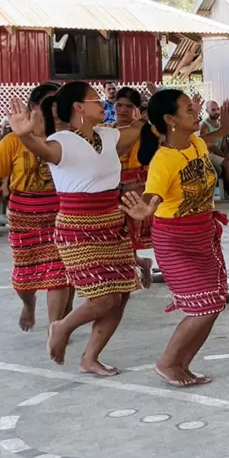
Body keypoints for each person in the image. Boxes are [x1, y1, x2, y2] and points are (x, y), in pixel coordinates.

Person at [8, 82, 146, 376]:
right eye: (96, 100)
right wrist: (24, 136)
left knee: (120, 295)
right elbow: (41, 148)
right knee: (104, 298)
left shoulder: (108, 135)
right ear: (78, 108)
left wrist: (149, 110)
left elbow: (142, 130)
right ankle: (62, 326)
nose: (103, 105)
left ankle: (90, 358)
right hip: (78, 229)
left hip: (112, 224)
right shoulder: (62, 141)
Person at [120, 90, 229, 387]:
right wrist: (146, 208)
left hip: (204, 235)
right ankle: (167, 362)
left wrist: (225, 129)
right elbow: (153, 193)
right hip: (176, 240)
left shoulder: (195, 142)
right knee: (204, 307)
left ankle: (181, 364)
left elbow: (207, 142)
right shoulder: (164, 159)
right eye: (189, 109)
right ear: (171, 120)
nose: (195, 112)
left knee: (214, 303)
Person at [0, 83, 71, 332]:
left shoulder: (66, 138)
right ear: (33, 107)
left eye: (58, 104)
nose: (54, 110)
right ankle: (28, 305)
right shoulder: (13, 140)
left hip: (59, 212)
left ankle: (56, 329)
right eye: (49, 104)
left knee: (59, 274)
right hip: (23, 214)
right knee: (24, 277)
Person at [115, 87, 153, 287]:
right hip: (113, 187)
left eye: (128, 107)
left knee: (130, 236)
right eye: (119, 105)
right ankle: (141, 265)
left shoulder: (146, 131)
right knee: (118, 237)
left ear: (136, 109)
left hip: (138, 186)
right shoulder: (107, 129)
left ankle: (136, 269)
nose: (122, 110)